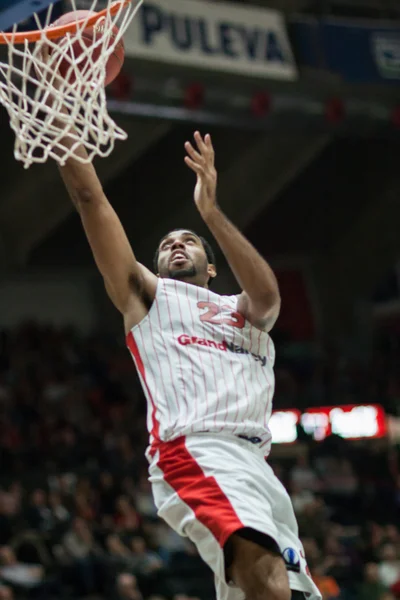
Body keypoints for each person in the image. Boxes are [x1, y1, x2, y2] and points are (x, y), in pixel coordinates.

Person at [57, 127, 322, 600]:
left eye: (190, 241)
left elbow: (268, 297)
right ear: (157, 267)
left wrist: (210, 212)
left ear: (212, 267)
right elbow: (89, 198)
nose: (176, 245)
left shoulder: (243, 309)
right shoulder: (149, 298)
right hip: (196, 449)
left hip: (256, 466)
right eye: (166, 245)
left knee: (290, 594)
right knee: (268, 583)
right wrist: (60, 125)